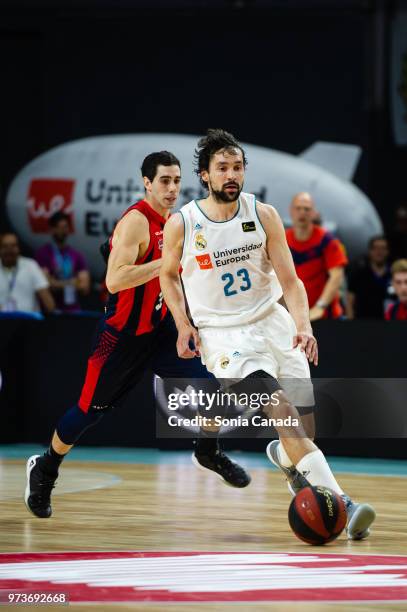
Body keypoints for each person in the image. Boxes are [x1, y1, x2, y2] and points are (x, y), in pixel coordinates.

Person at [160, 129, 375, 540]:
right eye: (222, 168)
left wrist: (303, 325)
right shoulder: (183, 223)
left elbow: (291, 282)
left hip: (272, 324)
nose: (231, 175)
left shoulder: (263, 215)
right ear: (205, 175)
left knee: (302, 429)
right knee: (280, 410)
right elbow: (168, 277)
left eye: (237, 167)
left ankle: (283, 459)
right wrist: (183, 324)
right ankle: (342, 505)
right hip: (224, 335)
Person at [24, 151, 249, 520]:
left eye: (177, 180)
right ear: (147, 182)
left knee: (214, 385)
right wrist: (167, 262)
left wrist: (185, 321)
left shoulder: (177, 220)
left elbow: (178, 277)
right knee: (86, 414)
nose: (172, 188)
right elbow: (114, 280)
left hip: (159, 330)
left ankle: (207, 450)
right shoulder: (135, 221)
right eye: (164, 181)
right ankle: (45, 468)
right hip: (120, 337)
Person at [286, 192, 348, 320]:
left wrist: (320, 306)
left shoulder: (327, 240)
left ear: (313, 213)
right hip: (293, 316)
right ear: (291, 211)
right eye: (298, 208)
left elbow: (336, 276)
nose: (302, 212)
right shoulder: (283, 239)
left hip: (326, 316)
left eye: (307, 209)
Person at [35, 212, 90, 313]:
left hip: (74, 311)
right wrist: (72, 282)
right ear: (51, 229)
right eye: (58, 227)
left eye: (65, 227)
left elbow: (84, 287)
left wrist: (56, 283)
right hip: (52, 312)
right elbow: (45, 285)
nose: (62, 231)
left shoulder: (76, 255)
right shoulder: (43, 254)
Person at [0, 233, 55, 314]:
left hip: (28, 323)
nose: (9, 250)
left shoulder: (30, 265)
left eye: (13, 246)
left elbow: (48, 303)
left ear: (18, 248)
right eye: (5, 246)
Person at [346, 236, 393, 319]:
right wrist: (350, 319)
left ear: (388, 251)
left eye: (383, 248)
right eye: (375, 248)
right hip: (362, 323)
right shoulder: (359, 273)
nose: (379, 252)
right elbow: (350, 299)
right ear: (370, 251)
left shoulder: (394, 274)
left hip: (389, 323)